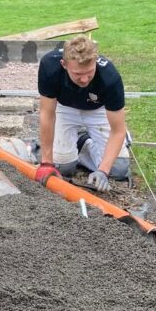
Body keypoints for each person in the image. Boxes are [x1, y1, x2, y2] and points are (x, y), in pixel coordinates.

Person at [34, 34, 129, 193]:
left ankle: (85, 142)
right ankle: (77, 144)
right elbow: (47, 115)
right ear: (64, 64)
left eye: (89, 72)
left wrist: (103, 170)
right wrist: (46, 163)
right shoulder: (49, 66)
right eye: (78, 74)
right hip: (65, 107)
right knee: (62, 168)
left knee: (118, 169)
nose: (85, 79)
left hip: (98, 110)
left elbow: (118, 130)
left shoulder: (110, 77)